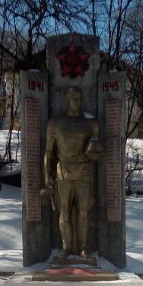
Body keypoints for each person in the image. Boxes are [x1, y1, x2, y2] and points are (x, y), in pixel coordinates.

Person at [42, 87, 101, 261]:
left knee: (84, 213)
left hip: (84, 172)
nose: (75, 100)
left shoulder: (91, 124)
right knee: (64, 213)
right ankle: (66, 248)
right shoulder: (55, 123)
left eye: (78, 97)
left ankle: (84, 249)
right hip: (63, 172)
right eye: (72, 97)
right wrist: (47, 175)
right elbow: (49, 153)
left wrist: (94, 153)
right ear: (66, 98)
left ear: (82, 98)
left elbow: (97, 150)